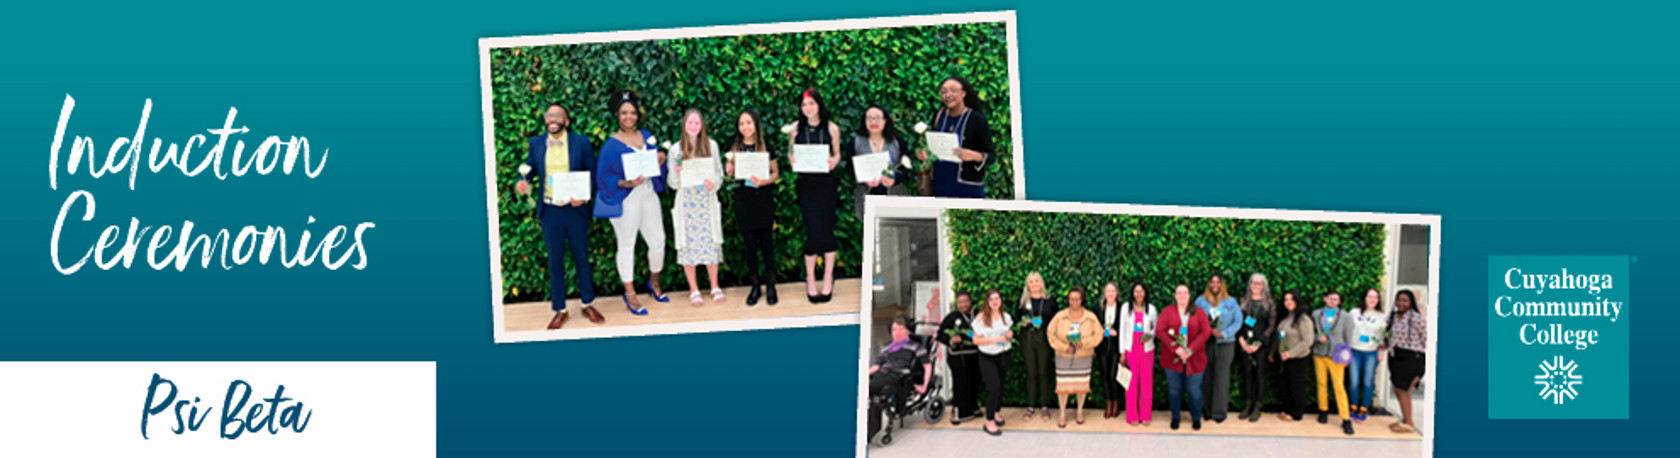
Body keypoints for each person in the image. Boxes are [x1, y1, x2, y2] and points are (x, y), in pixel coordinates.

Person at [514, 103, 603, 330]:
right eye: (549, 115)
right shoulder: (536, 143)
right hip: (550, 210)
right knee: (555, 262)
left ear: (566, 121)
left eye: (558, 115)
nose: (552, 119)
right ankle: (560, 309)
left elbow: (592, 173)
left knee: (581, 257)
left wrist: (584, 196)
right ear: (546, 120)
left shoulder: (581, 142)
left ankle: (587, 304)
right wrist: (522, 182)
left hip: (575, 209)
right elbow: (530, 170)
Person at [593, 90, 669, 315]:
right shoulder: (611, 145)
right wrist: (626, 183)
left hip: (648, 194)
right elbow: (603, 177)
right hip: (627, 199)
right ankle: (630, 294)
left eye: (633, 112)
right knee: (627, 245)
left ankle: (653, 281)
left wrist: (661, 160)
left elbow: (654, 169)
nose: (629, 117)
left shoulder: (646, 136)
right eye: (624, 113)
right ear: (617, 114)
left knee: (658, 241)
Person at [788, 89, 842, 304]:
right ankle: (810, 278)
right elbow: (790, 153)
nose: (807, 108)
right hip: (806, 185)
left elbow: (837, 153)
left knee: (827, 229)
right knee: (811, 230)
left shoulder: (831, 128)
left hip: (826, 184)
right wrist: (791, 159)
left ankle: (828, 277)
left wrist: (834, 162)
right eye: (804, 105)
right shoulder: (795, 128)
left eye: (811, 104)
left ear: (819, 105)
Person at [667, 109, 725, 306]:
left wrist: (714, 183)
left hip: (706, 201)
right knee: (688, 245)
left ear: (702, 126)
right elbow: (673, 184)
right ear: (684, 125)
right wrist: (676, 172)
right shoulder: (675, 150)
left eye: (697, 123)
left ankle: (715, 286)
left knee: (710, 242)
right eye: (690, 123)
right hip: (686, 203)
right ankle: (694, 289)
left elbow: (719, 173)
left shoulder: (712, 146)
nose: (693, 126)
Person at [724, 109, 780, 306]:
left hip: (762, 197)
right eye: (741, 124)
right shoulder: (735, 148)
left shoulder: (766, 147)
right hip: (744, 199)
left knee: (767, 243)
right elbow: (731, 173)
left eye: (748, 122)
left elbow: (775, 173)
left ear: (756, 124)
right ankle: (755, 285)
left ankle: (771, 285)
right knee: (749, 245)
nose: (745, 127)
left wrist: (764, 181)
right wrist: (729, 170)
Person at [915, 76, 996, 198]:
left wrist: (973, 155)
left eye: (953, 90)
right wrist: (924, 154)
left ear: (963, 93)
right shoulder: (939, 115)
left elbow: (991, 157)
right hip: (940, 183)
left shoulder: (976, 119)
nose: (947, 95)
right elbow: (935, 147)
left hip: (967, 187)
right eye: (943, 91)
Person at [868, 315, 932, 441]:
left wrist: (925, 386)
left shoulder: (916, 347)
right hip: (882, 375)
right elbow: (876, 366)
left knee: (872, 390)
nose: (897, 333)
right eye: (894, 329)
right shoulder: (886, 349)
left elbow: (927, 366)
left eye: (901, 329)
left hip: (898, 377)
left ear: (908, 330)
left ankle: (866, 434)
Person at [1157, 284, 1211, 430]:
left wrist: (1191, 349)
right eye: (1179, 293)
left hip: (1195, 359)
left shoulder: (1198, 312)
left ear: (1189, 295)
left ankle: (1196, 417)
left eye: (1185, 293)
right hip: (1172, 360)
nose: (1182, 296)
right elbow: (1160, 331)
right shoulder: (1167, 312)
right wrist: (1176, 349)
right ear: (1175, 296)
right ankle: (1175, 416)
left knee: (1194, 390)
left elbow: (1206, 332)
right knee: (1174, 390)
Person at [1047, 286, 1103, 427]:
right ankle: (1062, 413)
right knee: (1063, 386)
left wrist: (1084, 343)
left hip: (1083, 356)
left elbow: (1099, 334)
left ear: (1082, 299)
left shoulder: (1090, 317)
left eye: (1077, 299)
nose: (1074, 302)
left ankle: (1079, 411)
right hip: (1063, 356)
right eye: (1072, 299)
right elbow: (1050, 334)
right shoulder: (1060, 316)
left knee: (1082, 385)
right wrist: (1064, 347)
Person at [1195, 274, 1243, 423]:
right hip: (1206, 343)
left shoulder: (1230, 302)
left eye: (1218, 282)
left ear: (1223, 284)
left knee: (1221, 377)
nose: (1215, 285)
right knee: (1207, 376)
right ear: (1208, 284)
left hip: (1226, 343)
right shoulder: (1201, 301)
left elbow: (1238, 321)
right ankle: (1207, 409)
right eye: (1212, 282)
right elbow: (1194, 319)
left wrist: (1224, 333)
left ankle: (1219, 412)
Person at [849, 104, 909, 220]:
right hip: (866, 196)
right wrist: (864, 179)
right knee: (870, 233)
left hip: (894, 195)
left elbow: (906, 167)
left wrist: (894, 180)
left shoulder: (897, 140)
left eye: (877, 118)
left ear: (885, 120)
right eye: (869, 118)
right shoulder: (855, 142)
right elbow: (850, 168)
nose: (873, 122)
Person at [971, 289, 1015, 436]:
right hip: (987, 357)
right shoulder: (981, 318)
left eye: (997, 298)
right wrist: (995, 339)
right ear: (987, 302)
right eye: (992, 299)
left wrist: (1009, 335)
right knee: (994, 386)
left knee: (1001, 385)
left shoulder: (1006, 317)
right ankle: (989, 421)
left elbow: (1009, 332)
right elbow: (976, 340)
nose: (995, 302)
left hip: (1003, 355)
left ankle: (996, 412)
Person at [1311, 290, 1356, 435]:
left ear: (1339, 302)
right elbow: (1310, 332)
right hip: (1319, 353)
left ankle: (1345, 418)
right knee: (1321, 384)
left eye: (1336, 299)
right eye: (1330, 298)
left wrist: (1347, 356)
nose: (1332, 301)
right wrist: (1317, 338)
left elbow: (1348, 337)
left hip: (1336, 356)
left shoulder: (1345, 317)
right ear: (1325, 299)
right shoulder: (1316, 314)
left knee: (1339, 387)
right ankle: (1323, 410)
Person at [935, 290, 982, 425]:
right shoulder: (952, 317)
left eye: (965, 301)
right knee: (961, 383)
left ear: (970, 302)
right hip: (958, 356)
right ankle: (957, 412)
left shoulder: (978, 314)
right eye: (960, 302)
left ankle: (974, 407)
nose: (963, 304)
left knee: (975, 381)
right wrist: (951, 339)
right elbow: (940, 335)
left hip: (976, 354)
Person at [1016, 272, 1057, 421]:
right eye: (1031, 282)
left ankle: (1044, 406)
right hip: (1028, 339)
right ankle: (1031, 406)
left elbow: (1055, 321)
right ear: (1028, 285)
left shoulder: (1049, 300)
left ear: (1042, 283)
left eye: (1037, 281)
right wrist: (1023, 323)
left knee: (1043, 373)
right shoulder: (1022, 301)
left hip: (1044, 339)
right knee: (1031, 373)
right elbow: (1016, 321)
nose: (1034, 284)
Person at [1236, 273, 1275, 422]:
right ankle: (1247, 404)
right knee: (1247, 374)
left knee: (1259, 374)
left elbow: (1271, 326)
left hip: (1260, 345)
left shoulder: (1269, 303)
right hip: (1245, 343)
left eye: (1259, 283)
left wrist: (1259, 344)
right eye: (1253, 283)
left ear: (1264, 286)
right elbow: (1238, 321)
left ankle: (1258, 406)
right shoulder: (1243, 301)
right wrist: (1242, 341)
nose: (1256, 286)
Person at [1119, 282, 1158, 426]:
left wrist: (1150, 335)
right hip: (1131, 349)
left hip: (1147, 350)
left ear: (1145, 293)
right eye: (1136, 291)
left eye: (1141, 291)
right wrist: (1122, 352)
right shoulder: (1125, 308)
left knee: (1146, 383)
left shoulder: (1151, 309)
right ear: (1132, 293)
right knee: (1131, 383)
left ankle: (1146, 415)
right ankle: (1132, 415)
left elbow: (1156, 327)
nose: (1139, 294)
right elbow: (1122, 330)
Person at [1387, 289, 1426, 434]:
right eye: (1399, 300)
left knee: (1403, 389)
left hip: (1411, 357)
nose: (1401, 303)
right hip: (1395, 356)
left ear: (1411, 303)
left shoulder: (1416, 318)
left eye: (1405, 300)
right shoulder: (1392, 317)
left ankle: (1409, 422)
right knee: (1399, 389)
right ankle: (1405, 419)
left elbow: (1427, 337)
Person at [1273, 290, 1315, 422]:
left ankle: (1297, 413)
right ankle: (1287, 409)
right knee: (1285, 384)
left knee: (1296, 386)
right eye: (1286, 300)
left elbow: (1308, 341)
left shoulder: (1303, 319)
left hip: (1298, 358)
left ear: (1297, 301)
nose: (1288, 302)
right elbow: (1280, 336)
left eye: (1291, 299)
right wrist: (1273, 352)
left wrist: (1290, 353)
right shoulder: (1287, 317)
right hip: (1284, 358)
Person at [1347, 288, 1388, 423]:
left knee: (1367, 382)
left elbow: (1383, 337)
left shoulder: (1382, 316)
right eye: (1369, 296)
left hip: (1371, 352)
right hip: (1354, 351)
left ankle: (1364, 409)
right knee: (1354, 382)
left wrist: (1381, 352)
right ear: (1364, 297)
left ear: (1378, 300)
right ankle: (1353, 407)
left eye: (1375, 297)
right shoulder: (1354, 312)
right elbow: (1346, 330)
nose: (1372, 299)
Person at [1094, 283, 1125, 419]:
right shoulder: (1099, 308)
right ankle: (1108, 404)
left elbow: (1125, 326)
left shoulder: (1122, 308)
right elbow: (1094, 327)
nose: (1110, 293)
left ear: (1117, 293)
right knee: (1105, 376)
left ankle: (1116, 403)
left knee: (1114, 376)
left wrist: (1117, 332)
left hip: (1116, 347)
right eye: (1108, 291)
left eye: (1113, 291)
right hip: (1102, 347)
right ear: (1104, 293)